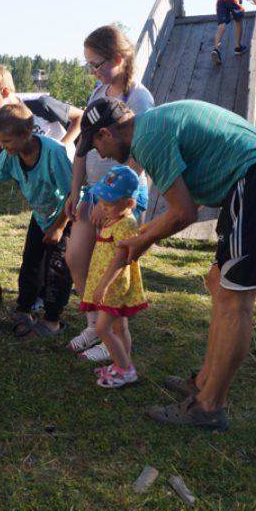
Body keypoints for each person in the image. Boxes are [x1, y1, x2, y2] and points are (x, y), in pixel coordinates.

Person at [76, 97, 256, 430]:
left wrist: (142, 239)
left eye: (95, 143)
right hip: (248, 183)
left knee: (235, 302)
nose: (99, 153)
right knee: (218, 283)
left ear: (106, 133)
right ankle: (203, 382)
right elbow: (188, 201)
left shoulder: (147, 139)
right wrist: (144, 235)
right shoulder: (152, 127)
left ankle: (208, 406)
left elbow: (184, 212)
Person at [64, 25, 154, 362]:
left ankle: (112, 334)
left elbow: (138, 154)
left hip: (121, 200)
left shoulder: (138, 97)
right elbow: (83, 146)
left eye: (97, 63)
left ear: (118, 59)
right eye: (88, 64)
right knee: (76, 257)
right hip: (92, 192)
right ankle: (95, 325)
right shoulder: (97, 93)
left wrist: (111, 202)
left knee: (110, 268)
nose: (93, 71)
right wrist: (76, 190)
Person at [0, 103, 74, 338]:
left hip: (65, 216)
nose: (1, 146)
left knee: (56, 268)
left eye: (6, 141)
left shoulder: (54, 153)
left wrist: (59, 227)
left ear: (27, 134)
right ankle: (25, 309)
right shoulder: (9, 156)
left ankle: (52, 320)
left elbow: (73, 195)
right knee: (30, 262)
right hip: (40, 216)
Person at [0, 63, 82, 237]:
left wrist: (62, 145)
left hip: (67, 187)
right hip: (44, 200)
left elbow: (80, 117)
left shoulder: (40, 105)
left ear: (5, 92)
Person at [78, 166, 148, 388]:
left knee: (102, 328)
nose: (104, 208)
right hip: (109, 282)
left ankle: (125, 369)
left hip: (114, 283)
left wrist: (104, 285)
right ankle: (122, 364)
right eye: (102, 202)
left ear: (128, 204)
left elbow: (121, 259)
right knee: (119, 327)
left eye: (109, 204)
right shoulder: (113, 218)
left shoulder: (126, 223)